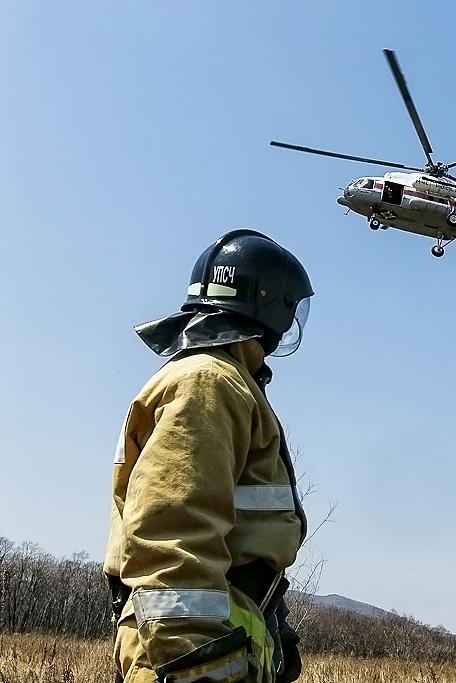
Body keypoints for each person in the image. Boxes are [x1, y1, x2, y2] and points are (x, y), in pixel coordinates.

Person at [104, 229, 313, 683]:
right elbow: (172, 535)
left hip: (220, 641)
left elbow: (242, 541)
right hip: (190, 657)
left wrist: (274, 628)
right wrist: (198, 667)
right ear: (272, 306)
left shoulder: (214, 380)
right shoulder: (210, 382)